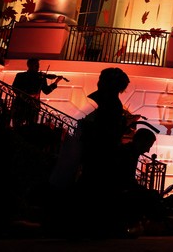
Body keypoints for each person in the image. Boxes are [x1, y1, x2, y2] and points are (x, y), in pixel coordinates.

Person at [73, 67, 133, 238]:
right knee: (98, 186)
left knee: (95, 186)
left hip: (101, 151)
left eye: (101, 79)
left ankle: (92, 226)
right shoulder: (112, 103)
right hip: (103, 151)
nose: (98, 82)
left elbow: (106, 129)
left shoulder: (110, 104)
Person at [11, 57, 62, 127]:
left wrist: (56, 82)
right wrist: (26, 95)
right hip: (21, 104)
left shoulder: (41, 77)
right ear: (30, 66)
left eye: (38, 65)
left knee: (31, 126)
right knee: (17, 125)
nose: (38, 67)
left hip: (34, 106)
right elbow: (14, 88)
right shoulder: (20, 75)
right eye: (36, 65)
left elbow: (46, 91)